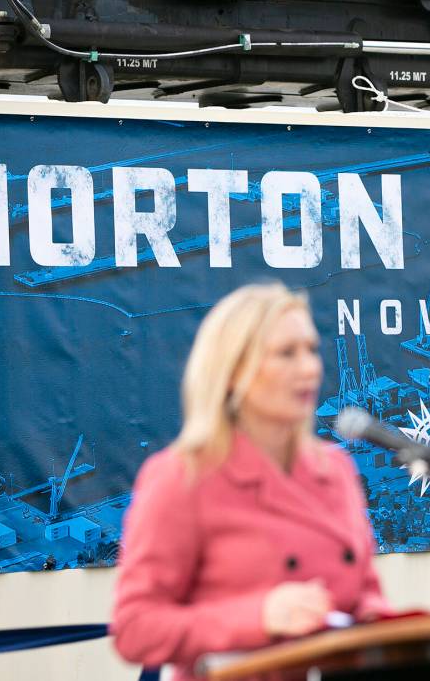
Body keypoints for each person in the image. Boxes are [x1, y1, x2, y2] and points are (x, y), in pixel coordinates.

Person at [111, 282, 392, 680]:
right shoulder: (182, 477)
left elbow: (365, 595)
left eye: (312, 350)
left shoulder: (336, 470)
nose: (310, 367)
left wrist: (386, 625)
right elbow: (136, 629)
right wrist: (258, 616)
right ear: (232, 370)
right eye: (286, 353)